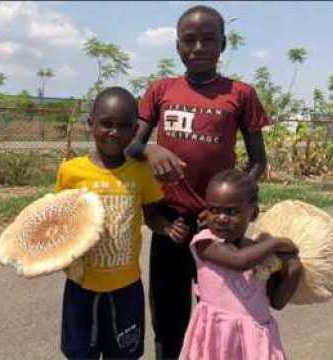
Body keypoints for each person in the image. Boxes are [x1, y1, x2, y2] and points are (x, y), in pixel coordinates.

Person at [125, 5, 270, 358]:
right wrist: (153, 149)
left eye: (208, 39)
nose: (199, 47)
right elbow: (133, 145)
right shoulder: (161, 90)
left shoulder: (241, 93)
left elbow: (257, 160)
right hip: (170, 222)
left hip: (218, 225)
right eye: (189, 40)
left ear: (223, 44)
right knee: (169, 321)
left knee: (226, 314)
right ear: (177, 47)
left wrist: (230, 210)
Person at [55, 86, 189, 359]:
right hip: (81, 285)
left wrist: (165, 227)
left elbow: (150, 214)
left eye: (124, 126)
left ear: (134, 129)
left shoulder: (141, 172)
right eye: (106, 124)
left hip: (126, 287)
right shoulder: (70, 172)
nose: (114, 132)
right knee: (81, 353)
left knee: (124, 354)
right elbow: (60, 219)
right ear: (91, 123)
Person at [180, 169, 302, 360]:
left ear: (253, 214)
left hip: (254, 343)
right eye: (213, 210)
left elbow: (277, 302)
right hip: (217, 337)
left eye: (231, 211)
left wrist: (293, 270)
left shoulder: (260, 254)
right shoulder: (205, 243)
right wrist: (276, 243)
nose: (221, 218)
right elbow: (239, 262)